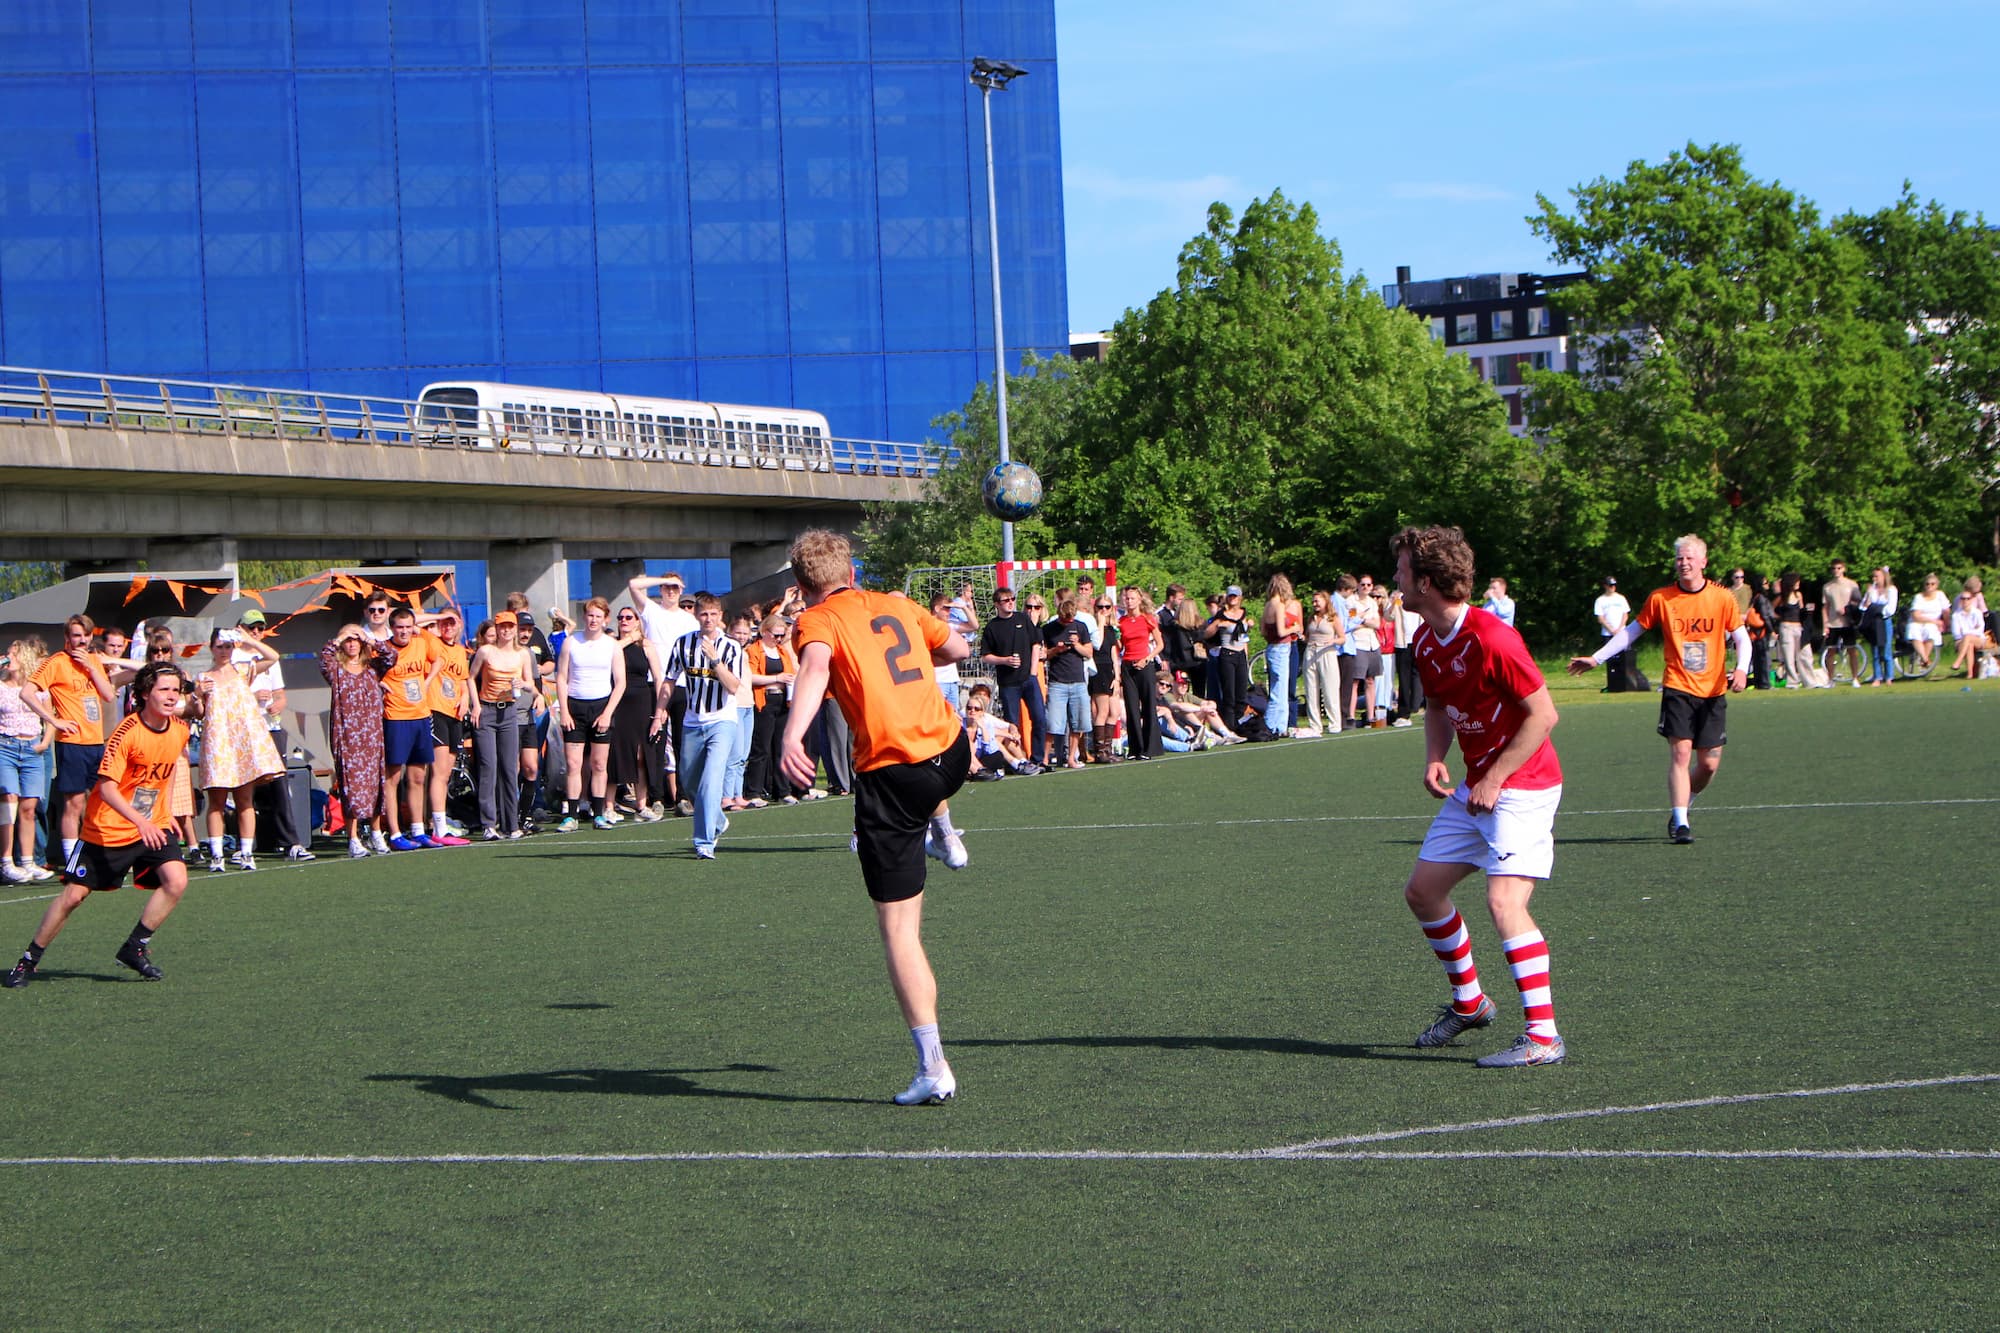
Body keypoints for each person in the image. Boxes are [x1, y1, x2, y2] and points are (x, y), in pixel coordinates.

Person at [778, 528, 972, 1105]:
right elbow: (959, 649)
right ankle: (946, 832)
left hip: (893, 775)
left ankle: (934, 1066)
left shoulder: (816, 620)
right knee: (926, 779)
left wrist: (793, 735)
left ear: (801, 587)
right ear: (853, 572)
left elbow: (813, 671)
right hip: (954, 754)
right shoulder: (899, 603)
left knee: (898, 931)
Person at [1389, 526, 1567, 1068]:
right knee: (1423, 891)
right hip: (1478, 786)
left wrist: (1493, 779)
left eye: (1400, 571)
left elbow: (1545, 715)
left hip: (1525, 787)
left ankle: (1543, 1037)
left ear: (1425, 581)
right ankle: (1470, 1002)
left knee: (1504, 903)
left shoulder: (1493, 638)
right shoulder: (1424, 639)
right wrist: (1436, 756)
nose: (1395, 579)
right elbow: (1440, 706)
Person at [4, 663, 198, 989]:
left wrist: (163, 818)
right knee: (73, 897)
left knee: (176, 880)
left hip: (150, 825)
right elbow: (106, 789)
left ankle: (135, 946)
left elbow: (166, 775)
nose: (171, 696)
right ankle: (29, 961)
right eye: (164, 689)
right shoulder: (127, 732)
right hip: (106, 829)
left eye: (175, 690)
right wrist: (141, 822)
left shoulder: (178, 729)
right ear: (145, 693)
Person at [1570, 534, 1750, 844]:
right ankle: (1680, 822)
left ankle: (1685, 805)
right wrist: (1597, 658)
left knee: (1708, 765)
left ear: (1703, 562)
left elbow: (1741, 638)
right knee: (1680, 754)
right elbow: (1630, 633)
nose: (1684, 563)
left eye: (1690, 558)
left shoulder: (1722, 598)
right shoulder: (1661, 598)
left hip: (1713, 691)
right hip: (1677, 687)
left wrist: (1743, 669)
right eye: (1679, 558)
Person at [31, 615, 126, 874]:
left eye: (85, 635)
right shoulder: (56, 662)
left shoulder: (93, 660)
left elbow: (108, 695)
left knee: (103, 800)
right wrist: (54, 720)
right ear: (67, 638)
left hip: (96, 742)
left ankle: (104, 853)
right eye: (76, 635)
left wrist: (93, 667)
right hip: (72, 743)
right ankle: (73, 861)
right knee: (73, 804)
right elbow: (27, 693)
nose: (81, 640)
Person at [660, 593, 744, 859]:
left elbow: (733, 687)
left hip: (722, 720)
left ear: (720, 616)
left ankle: (704, 841)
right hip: (693, 721)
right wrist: (659, 711)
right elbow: (669, 680)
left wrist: (715, 661)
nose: (708, 619)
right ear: (696, 616)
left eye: (713, 614)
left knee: (711, 781)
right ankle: (717, 820)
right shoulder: (683, 644)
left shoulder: (731, 647)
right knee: (689, 780)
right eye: (704, 614)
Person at [195, 626, 285, 872]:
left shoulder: (243, 670)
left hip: (242, 743)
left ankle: (246, 852)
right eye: (219, 646)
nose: (223, 651)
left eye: (227, 646)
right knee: (217, 801)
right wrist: (198, 695)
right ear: (211, 648)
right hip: (218, 743)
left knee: (245, 800)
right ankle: (216, 855)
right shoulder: (204, 677)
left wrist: (248, 640)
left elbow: (273, 657)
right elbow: (199, 713)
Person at [233, 610, 316, 862]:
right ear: (240, 629)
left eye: (260, 628)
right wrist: (251, 697)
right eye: (251, 628)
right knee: (243, 787)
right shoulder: (233, 656)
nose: (256, 632)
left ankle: (291, 842)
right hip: (244, 728)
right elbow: (229, 693)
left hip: (271, 727)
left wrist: (279, 703)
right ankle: (244, 843)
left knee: (280, 784)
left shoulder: (268, 655)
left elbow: (280, 693)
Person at [320, 623, 394, 858]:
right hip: (348, 737)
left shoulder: (372, 668)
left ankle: (376, 832)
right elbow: (324, 657)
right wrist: (339, 636)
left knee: (375, 785)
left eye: (355, 640)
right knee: (351, 788)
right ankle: (353, 838)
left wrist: (370, 639)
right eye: (348, 641)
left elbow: (391, 655)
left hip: (372, 736)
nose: (352, 644)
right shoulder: (336, 670)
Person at [554, 598, 627, 832]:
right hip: (575, 707)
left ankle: (598, 813)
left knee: (598, 763)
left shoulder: (612, 645)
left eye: (598, 616)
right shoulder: (571, 642)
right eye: (590, 615)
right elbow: (562, 678)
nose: (593, 620)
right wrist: (564, 711)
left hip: (601, 706)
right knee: (573, 763)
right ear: (584, 617)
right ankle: (572, 815)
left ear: (605, 619)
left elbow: (620, 683)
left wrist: (607, 713)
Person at [468, 613, 540, 840]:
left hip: (509, 712)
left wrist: (524, 685)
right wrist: (476, 706)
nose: (507, 631)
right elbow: (470, 678)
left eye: (510, 626)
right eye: (502, 627)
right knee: (489, 767)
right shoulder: (486, 651)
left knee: (510, 768)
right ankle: (489, 824)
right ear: (497, 629)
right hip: (487, 711)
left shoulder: (523, 654)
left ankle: (512, 824)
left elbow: (530, 683)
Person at [1, 638, 62, 883]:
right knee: (9, 802)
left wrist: (46, 742)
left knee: (29, 806)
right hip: (6, 745)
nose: (7, 658)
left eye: (13, 655)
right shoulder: (2, 686)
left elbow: (50, 717)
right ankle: (6, 861)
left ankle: (28, 861)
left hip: (32, 748)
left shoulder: (37, 687)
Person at [607, 606, 668, 823]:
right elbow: (609, 654)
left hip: (642, 700)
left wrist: (661, 707)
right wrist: (627, 639)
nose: (624, 620)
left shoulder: (646, 645)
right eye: (621, 617)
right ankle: (608, 805)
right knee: (617, 753)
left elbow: (659, 677)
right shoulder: (612, 644)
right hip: (618, 702)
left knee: (642, 755)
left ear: (637, 621)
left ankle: (642, 804)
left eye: (629, 617)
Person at [418, 610, 472, 845]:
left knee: (447, 771)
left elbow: (462, 681)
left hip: (454, 714)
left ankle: (441, 822)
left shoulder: (460, 650)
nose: (447, 627)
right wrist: (436, 618)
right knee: (439, 772)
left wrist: (466, 698)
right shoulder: (431, 642)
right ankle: (438, 827)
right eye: (444, 623)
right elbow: (409, 621)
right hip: (436, 711)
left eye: (452, 623)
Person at [979, 586, 1048, 769]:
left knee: (1040, 718)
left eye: (1012, 599)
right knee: (1012, 724)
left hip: (1028, 679)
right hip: (1009, 683)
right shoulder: (992, 627)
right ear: (997, 604)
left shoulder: (1022, 619)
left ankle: (1038, 759)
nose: (1010, 603)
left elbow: (1036, 644)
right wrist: (1005, 661)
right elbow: (985, 656)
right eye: (1006, 600)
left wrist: (1033, 671)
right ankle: (1018, 760)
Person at [743, 613, 802, 805]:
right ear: (764, 632)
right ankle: (754, 791)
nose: (778, 639)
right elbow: (750, 676)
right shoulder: (754, 650)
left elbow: (790, 673)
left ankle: (782, 790)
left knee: (781, 746)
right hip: (764, 700)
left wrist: (788, 681)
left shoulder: (782, 652)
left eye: (781, 636)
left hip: (782, 700)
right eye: (775, 635)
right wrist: (777, 678)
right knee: (761, 748)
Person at [1042, 597, 1093, 770]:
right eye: (1065, 620)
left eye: (1070, 620)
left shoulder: (1081, 627)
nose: (1068, 622)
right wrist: (1057, 650)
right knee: (1053, 723)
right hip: (1057, 682)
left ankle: (1072, 758)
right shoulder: (1048, 629)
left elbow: (1089, 653)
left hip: (1078, 682)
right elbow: (1043, 655)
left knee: (1078, 723)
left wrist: (1076, 644)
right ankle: (1045, 759)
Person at [1117, 586, 1165, 760]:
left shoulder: (1148, 619)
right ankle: (1134, 748)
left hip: (1144, 664)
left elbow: (1160, 644)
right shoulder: (1121, 622)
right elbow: (1120, 647)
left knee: (1148, 705)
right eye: (1127, 598)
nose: (1129, 601)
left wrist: (1147, 658)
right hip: (1128, 665)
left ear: (1139, 600)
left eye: (1132, 598)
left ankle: (1149, 748)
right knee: (1131, 707)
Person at [1202, 586, 1252, 729]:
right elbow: (1206, 634)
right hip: (1227, 654)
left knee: (1241, 693)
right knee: (1229, 693)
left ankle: (1239, 723)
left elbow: (1244, 637)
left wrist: (1250, 626)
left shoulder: (1243, 614)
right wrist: (1218, 625)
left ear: (1240, 597)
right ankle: (1229, 726)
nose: (1233, 599)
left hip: (1240, 654)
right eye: (1230, 596)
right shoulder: (1221, 615)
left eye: (1235, 596)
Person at [1260, 575, 1302, 739]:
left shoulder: (1267, 605)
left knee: (1278, 687)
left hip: (1271, 647)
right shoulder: (1278, 606)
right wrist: (1294, 628)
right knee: (1280, 690)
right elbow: (1281, 631)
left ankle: (1279, 726)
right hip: (1281, 647)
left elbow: (1263, 631)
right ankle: (1272, 725)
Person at [1086, 591, 1123, 763]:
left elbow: (1114, 653)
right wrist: (1100, 623)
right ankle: (1100, 750)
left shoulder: (1112, 629)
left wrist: (1117, 676)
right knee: (1102, 711)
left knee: (1114, 712)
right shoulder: (1095, 627)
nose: (1103, 610)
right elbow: (1098, 645)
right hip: (1098, 668)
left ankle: (1107, 748)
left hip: (1110, 669)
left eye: (1107, 607)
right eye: (1100, 607)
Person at [1301, 589, 1342, 737]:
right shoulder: (1311, 618)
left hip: (1327, 653)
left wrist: (1333, 641)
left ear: (1325, 601)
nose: (1314, 603)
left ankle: (1334, 723)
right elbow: (1307, 636)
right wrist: (1302, 637)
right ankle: (1315, 724)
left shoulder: (1333, 618)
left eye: (1317, 600)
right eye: (1313, 601)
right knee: (1311, 690)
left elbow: (1343, 637)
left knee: (1330, 689)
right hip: (1311, 652)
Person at [1821, 560, 1864, 686]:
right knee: (1831, 652)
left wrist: (1847, 610)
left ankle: (1855, 678)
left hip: (1848, 623)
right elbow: (1825, 607)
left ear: (1844, 569)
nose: (1836, 571)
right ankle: (1830, 679)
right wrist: (1825, 624)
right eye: (1834, 568)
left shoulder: (1852, 585)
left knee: (1852, 650)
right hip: (1833, 623)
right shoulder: (1827, 587)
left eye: (1839, 568)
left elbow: (1858, 603)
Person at [1593, 576, 1634, 692]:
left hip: (1622, 633)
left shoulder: (1621, 598)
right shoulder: (1600, 600)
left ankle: (1626, 684)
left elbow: (1625, 615)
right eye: (1610, 585)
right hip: (1607, 633)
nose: (1613, 588)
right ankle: (1612, 684)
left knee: (1624, 659)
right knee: (1610, 660)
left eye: (1614, 585)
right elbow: (1600, 618)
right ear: (1605, 586)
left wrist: (1620, 628)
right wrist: (1611, 630)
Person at [1860, 566, 1899, 686]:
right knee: (1875, 650)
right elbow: (1863, 607)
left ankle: (1889, 677)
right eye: (1873, 576)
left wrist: (1876, 609)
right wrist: (1868, 604)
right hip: (1873, 621)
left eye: (1877, 576)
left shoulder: (1891, 590)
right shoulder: (1871, 590)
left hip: (1884, 620)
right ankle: (1877, 676)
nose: (1874, 578)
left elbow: (1891, 609)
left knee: (1886, 649)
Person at [1906, 574, 1949, 673]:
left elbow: (1946, 611)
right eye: (1927, 584)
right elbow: (1916, 616)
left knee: (1931, 630)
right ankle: (1925, 659)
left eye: (1932, 584)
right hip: (1917, 622)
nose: (1930, 586)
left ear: (1936, 585)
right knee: (1914, 630)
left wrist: (1946, 624)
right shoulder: (1918, 597)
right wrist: (1933, 621)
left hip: (1932, 624)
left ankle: (1923, 659)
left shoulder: (1940, 595)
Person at [1948, 578, 1990, 678]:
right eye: (1963, 599)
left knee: (1968, 637)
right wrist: (1969, 633)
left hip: (1977, 638)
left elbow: (1980, 628)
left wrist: (1967, 633)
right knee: (1969, 644)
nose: (1965, 601)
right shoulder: (1956, 615)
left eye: (1968, 599)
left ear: (1971, 600)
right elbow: (1956, 633)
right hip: (1963, 640)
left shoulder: (1977, 612)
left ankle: (1958, 661)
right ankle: (1970, 674)